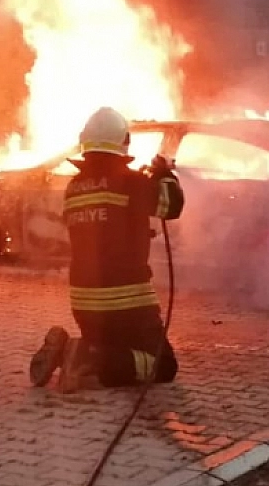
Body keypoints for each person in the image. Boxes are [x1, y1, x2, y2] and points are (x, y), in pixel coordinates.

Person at [29, 107, 184, 391]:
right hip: (128, 303)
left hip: (85, 304)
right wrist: (164, 175)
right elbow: (171, 206)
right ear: (122, 143)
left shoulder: (74, 187)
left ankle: (82, 350)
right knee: (162, 365)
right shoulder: (131, 182)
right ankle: (84, 355)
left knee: (116, 348)